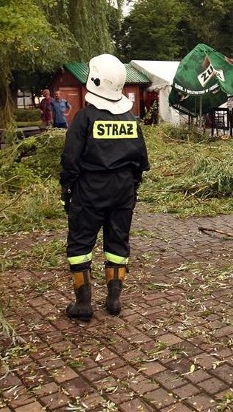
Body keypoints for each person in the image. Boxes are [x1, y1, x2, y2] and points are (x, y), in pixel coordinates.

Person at [60, 54, 149, 321]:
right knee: (117, 242)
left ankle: (83, 303)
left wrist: (67, 187)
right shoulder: (131, 119)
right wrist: (131, 188)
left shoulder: (84, 118)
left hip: (90, 189)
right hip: (123, 190)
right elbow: (141, 161)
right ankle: (114, 300)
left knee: (80, 244)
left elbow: (70, 159)